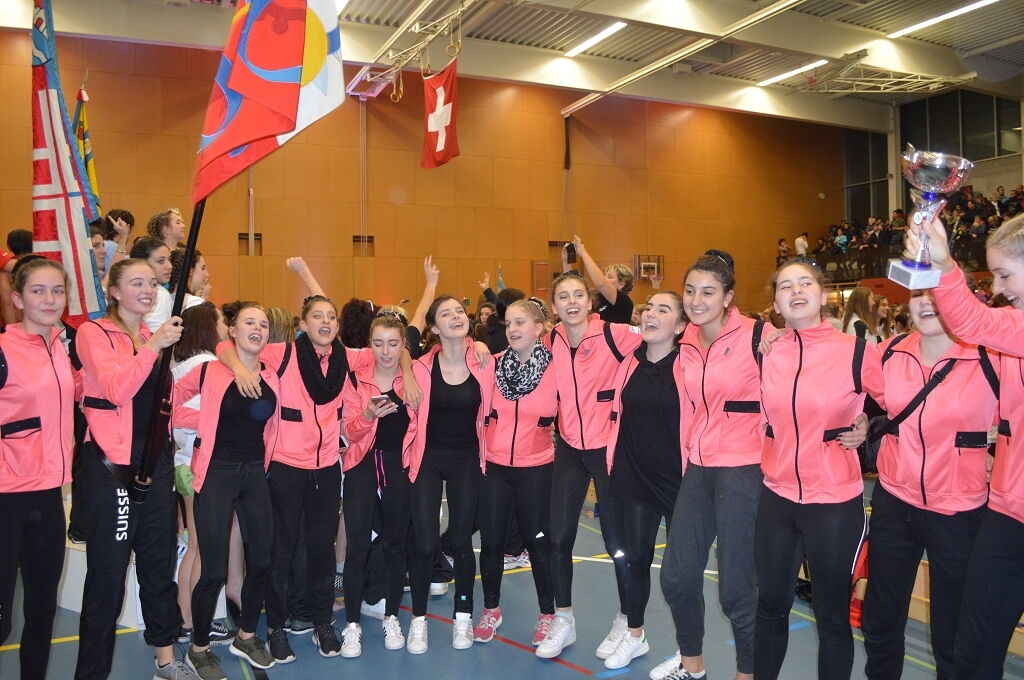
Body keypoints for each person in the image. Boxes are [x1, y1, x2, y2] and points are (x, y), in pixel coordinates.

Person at [905, 213, 1024, 679]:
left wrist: (944, 264)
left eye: (1004, 275)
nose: (998, 288)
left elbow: (972, 321)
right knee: (972, 649)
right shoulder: (1013, 328)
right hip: (1008, 510)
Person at [861, 289, 997, 680]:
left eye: (938, 294)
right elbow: (837, 371)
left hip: (959, 510)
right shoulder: (889, 352)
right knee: (881, 616)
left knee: (951, 628)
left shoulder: (990, 358)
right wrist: (778, 337)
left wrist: (998, 455)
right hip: (893, 500)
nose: (927, 303)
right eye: (920, 294)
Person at [755, 257, 879, 680]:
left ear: (823, 295)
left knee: (831, 616)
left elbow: (897, 402)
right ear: (776, 304)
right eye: (785, 286)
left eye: (805, 283)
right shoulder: (768, 351)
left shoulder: (856, 351)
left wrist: (869, 422)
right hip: (777, 497)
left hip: (834, 502)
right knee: (770, 606)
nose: (796, 291)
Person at [74, 258, 194, 680]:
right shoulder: (94, 334)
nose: (147, 289)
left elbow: (162, 404)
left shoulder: (146, 336)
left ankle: (166, 659)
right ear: (114, 290)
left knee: (159, 567)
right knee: (107, 576)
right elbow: (116, 389)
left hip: (155, 463)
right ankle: (91, 673)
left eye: (152, 283)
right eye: (137, 282)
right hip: (114, 468)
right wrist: (154, 346)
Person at [656, 250, 764, 680]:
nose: (697, 300)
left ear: (728, 297)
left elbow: (809, 376)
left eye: (708, 292)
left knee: (736, 590)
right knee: (677, 577)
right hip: (699, 468)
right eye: (690, 291)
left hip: (743, 468)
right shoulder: (685, 342)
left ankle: (748, 673)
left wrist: (856, 418)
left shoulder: (759, 337)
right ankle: (692, 666)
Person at [535, 271, 642, 660]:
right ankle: (564, 619)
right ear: (554, 306)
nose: (572, 302)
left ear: (590, 300)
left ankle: (628, 622)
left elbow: (668, 337)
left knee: (616, 543)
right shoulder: (552, 339)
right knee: (558, 538)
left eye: (578, 294)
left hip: (608, 450)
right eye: (563, 296)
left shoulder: (615, 335)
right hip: (569, 450)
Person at [173, 302, 281, 678]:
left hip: (254, 474)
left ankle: (246, 636)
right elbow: (169, 402)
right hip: (216, 473)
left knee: (262, 561)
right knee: (213, 570)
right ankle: (199, 649)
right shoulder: (210, 371)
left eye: (263, 324)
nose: (257, 328)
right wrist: (204, 420)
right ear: (232, 331)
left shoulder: (272, 375)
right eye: (249, 322)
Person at [602, 291, 688, 670]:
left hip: (679, 482)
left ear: (681, 326)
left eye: (663, 310)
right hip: (635, 476)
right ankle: (635, 634)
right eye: (649, 307)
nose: (650, 313)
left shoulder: (690, 364)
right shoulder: (629, 361)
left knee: (679, 575)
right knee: (636, 558)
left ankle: (688, 654)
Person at [0, 258, 78, 680]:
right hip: (6, 496)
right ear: (17, 299)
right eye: (37, 291)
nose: (49, 300)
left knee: (42, 609)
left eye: (57, 291)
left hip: (48, 495)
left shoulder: (60, 350)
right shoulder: (3, 349)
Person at [402, 296, 494, 653]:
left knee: (460, 541)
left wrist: (480, 344)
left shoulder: (483, 360)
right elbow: (399, 347)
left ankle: (463, 616)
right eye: (446, 313)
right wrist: (407, 370)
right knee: (425, 543)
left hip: (467, 460)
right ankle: (419, 620)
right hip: (428, 459)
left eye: (459, 311)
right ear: (434, 327)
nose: (456, 316)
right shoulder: (421, 367)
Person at [475, 299, 558, 645]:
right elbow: (446, 353)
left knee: (538, 543)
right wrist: (476, 343)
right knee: (492, 542)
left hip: (536, 468)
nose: (512, 329)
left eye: (520, 322)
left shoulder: (557, 368)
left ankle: (548, 614)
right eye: (509, 323)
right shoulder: (491, 364)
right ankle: (491, 609)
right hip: (495, 467)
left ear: (539, 328)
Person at [340, 314, 416, 653]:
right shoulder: (356, 379)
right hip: (361, 465)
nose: (386, 351)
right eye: (378, 343)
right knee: (357, 547)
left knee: (396, 545)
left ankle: (391, 616)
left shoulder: (413, 379)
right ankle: (352, 624)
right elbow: (348, 432)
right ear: (369, 345)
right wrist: (367, 415)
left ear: (403, 346)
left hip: (399, 466)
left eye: (393, 343)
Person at [171, 303, 235, 649]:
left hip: (183, 464)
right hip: (198, 466)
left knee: (194, 546)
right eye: (222, 321)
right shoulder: (206, 366)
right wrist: (216, 420)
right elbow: (186, 416)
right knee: (202, 549)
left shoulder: (180, 365)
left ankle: (186, 618)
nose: (225, 327)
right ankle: (195, 620)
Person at [564, 235, 635, 324]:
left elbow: (601, 283)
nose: (604, 278)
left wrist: (582, 252)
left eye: (610, 276)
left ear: (622, 284)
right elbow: (571, 287)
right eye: (604, 275)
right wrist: (566, 262)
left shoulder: (625, 302)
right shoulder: (598, 298)